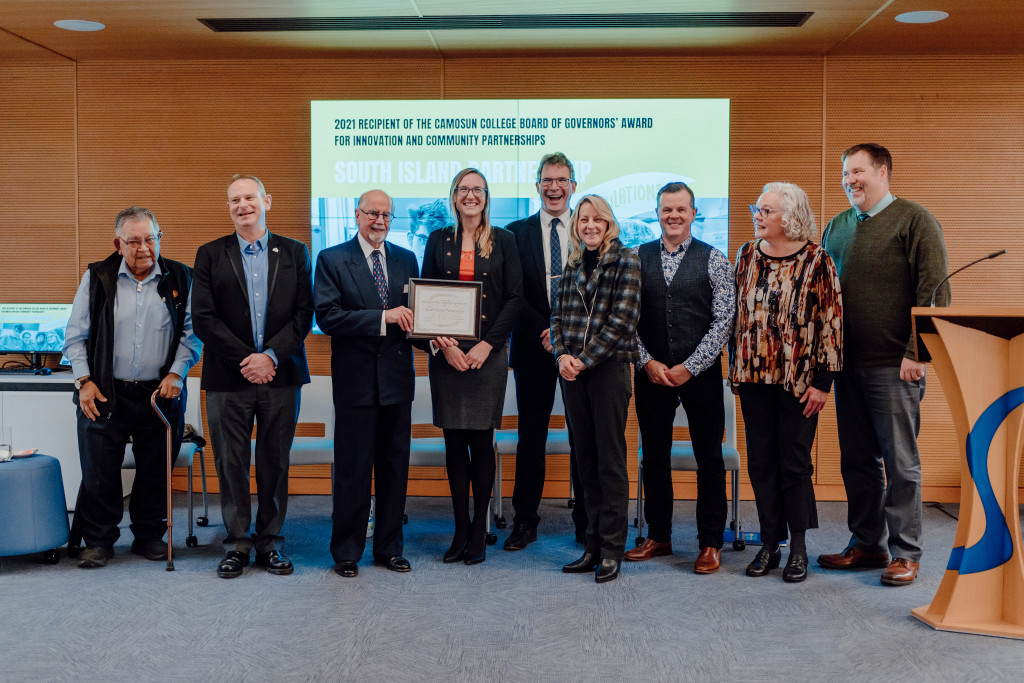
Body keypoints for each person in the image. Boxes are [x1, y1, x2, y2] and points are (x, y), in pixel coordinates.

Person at [819, 144, 950, 586]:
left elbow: (935, 291)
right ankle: (867, 544)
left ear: (883, 171)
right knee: (857, 461)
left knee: (900, 464)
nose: (849, 179)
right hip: (846, 365)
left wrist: (918, 353)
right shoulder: (837, 226)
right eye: (845, 173)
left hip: (894, 366)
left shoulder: (915, 220)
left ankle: (906, 553)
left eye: (857, 171)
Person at [63, 206, 202, 568]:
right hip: (104, 391)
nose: (144, 248)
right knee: (99, 470)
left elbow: (192, 336)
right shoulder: (97, 277)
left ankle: (149, 536)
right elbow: (74, 338)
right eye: (134, 240)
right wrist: (84, 382)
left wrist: (176, 373)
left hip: (160, 393)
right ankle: (99, 541)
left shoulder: (181, 278)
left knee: (156, 467)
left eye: (151, 238)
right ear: (118, 243)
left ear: (160, 238)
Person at [192, 174, 314, 579]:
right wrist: (250, 358)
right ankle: (237, 544)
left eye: (249, 197)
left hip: (282, 375)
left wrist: (271, 357)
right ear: (228, 207)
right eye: (234, 200)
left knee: (275, 462)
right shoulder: (210, 254)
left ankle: (271, 543)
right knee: (231, 462)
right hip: (229, 377)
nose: (242, 205)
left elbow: (303, 315)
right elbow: (204, 320)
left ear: (267, 201)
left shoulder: (295, 252)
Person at [729, 182, 843, 583]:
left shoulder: (817, 260)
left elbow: (831, 323)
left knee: (793, 462)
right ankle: (768, 544)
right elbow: (736, 317)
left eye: (766, 211)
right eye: (756, 209)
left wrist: (823, 382)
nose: (757, 216)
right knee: (761, 461)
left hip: (799, 379)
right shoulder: (745, 255)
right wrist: (735, 368)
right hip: (753, 375)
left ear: (789, 217)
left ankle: (798, 547)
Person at [626, 181, 735, 574]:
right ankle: (659, 535)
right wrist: (647, 362)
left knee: (710, 458)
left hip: (701, 374)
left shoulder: (715, 260)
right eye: (666, 210)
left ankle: (710, 543)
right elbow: (626, 319)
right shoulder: (634, 259)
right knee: (654, 457)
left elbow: (724, 321)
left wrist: (691, 365)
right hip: (651, 372)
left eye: (681, 210)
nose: (673, 216)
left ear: (693, 214)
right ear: (656, 214)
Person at [314, 189, 419, 578]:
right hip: (355, 382)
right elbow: (328, 317)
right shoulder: (332, 259)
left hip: (396, 382)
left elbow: (416, 317)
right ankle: (346, 551)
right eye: (372, 213)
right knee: (353, 470)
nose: (380, 221)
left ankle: (390, 548)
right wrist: (383, 318)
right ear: (356, 215)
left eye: (387, 215)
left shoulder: (406, 258)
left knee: (395, 469)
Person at [422, 168, 523, 565]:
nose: (470, 196)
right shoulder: (437, 239)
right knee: (453, 443)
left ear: (486, 196)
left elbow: (515, 298)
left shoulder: (505, 240)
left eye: (477, 190)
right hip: (447, 355)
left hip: (488, 355)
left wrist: (486, 345)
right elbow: (425, 297)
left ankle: (479, 528)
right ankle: (460, 528)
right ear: (454, 196)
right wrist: (444, 345)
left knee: (480, 442)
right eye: (463, 189)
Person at [552, 195, 641, 584]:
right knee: (584, 460)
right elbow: (555, 317)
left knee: (609, 461)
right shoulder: (571, 264)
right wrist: (561, 357)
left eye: (596, 219)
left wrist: (583, 359)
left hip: (608, 370)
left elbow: (623, 319)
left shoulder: (627, 260)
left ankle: (611, 549)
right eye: (583, 219)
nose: (589, 225)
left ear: (608, 223)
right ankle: (590, 545)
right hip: (571, 372)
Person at [505, 152, 588, 551]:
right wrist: (545, 330)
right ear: (537, 184)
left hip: (581, 352)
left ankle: (586, 522)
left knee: (582, 437)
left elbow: (598, 293)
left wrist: (565, 336)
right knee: (530, 436)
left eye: (562, 180)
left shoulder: (591, 228)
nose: (554, 187)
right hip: (532, 346)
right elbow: (513, 293)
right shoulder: (514, 233)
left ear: (574, 185)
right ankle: (525, 521)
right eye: (547, 180)